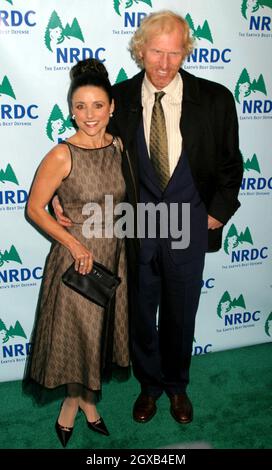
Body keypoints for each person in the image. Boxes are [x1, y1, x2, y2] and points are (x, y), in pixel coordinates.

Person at [54, 11, 243, 425]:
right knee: (140, 314)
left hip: (189, 226)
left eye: (174, 53)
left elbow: (231, 166)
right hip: (136, 230)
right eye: (156, 52)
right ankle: (149, 386)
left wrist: (216, 213)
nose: (164, 63)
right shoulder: (117, 99)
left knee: (181, 313)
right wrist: (58, 195)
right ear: (141, 51)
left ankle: (177, 387)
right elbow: (90, 150)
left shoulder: (215, 99)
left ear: (185, 52)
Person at [25, 58, 129, 447]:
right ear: (71, 109)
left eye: (98, 106)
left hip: (113, 256)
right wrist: (74, 244)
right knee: (77, 338)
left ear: (112, 107)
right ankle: (73, 403)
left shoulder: (119, 146)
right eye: (81, 106)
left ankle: (88, 400)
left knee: (99, 337)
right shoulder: (61, 154)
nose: (89, 115)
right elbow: (34, 207)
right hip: (77, 261)